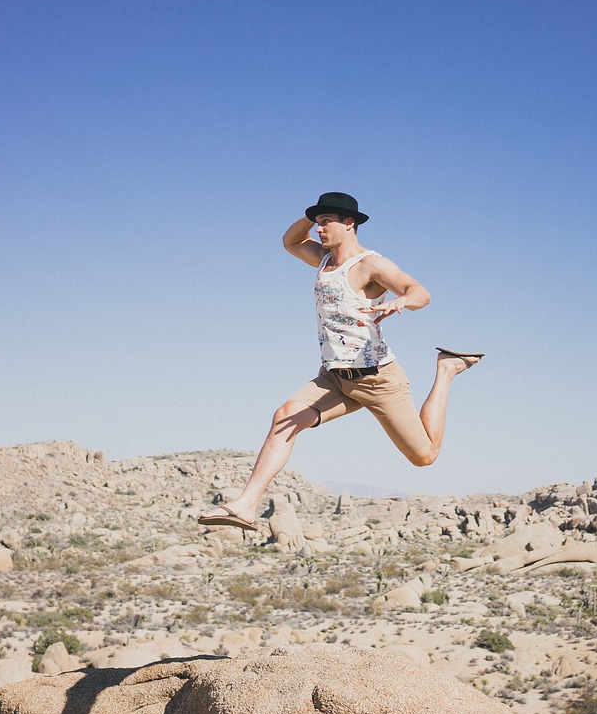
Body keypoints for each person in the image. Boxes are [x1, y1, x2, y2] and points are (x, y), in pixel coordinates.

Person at [198, 192, 482, 531]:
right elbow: (290, 241)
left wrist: (401, 301)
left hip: (376, 378)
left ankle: (447, 369)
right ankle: (246, 506)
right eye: (317, 224)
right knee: (285, 417)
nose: (318, 230)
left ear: (350, 224)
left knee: (424, 457)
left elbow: (421, 291)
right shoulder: (321, 259)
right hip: (335, 377)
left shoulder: (369, 264)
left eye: (325, 222)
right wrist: (312, 213)